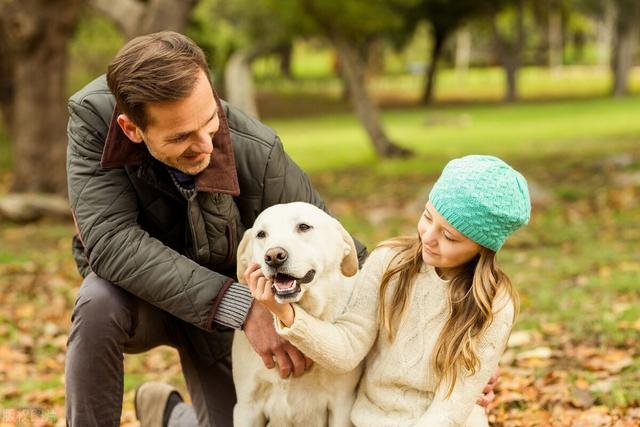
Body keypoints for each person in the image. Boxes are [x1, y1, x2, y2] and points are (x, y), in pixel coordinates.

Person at [64, 31, 368, 427]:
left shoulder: (257, 150)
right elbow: (110, 242)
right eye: (180, 137)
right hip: (148, 301)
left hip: (221, 321)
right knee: (97, 301)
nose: (205, 145)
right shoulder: (93, 119)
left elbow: (343, 248)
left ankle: (171, 416)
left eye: (210, 121)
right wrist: (244, 308)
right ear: (132, 129)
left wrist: (453, 331)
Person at [249, 155, 531, 426]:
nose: (429, 238)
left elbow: (451, 408)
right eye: (427, 217)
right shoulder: (389, 263)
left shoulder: (495, 303)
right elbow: (347, 349)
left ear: (482, 247)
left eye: (448, 236)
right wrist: (285, 314)